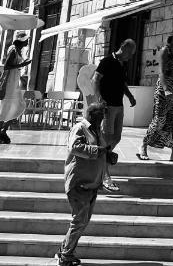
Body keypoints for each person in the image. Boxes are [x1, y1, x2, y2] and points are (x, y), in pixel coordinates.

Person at [55, 101, 115, 266]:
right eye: (101, 116)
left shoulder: (96, 130)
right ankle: (65, 256)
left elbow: (100, 150)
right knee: (79, 220)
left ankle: (64, 251)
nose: (102, 120)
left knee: (82, 221)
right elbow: (75, 147)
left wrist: (108, 155)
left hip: (91, 183)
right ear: (94, 115)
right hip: (79, 182)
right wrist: (99, 151)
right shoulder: (80, 128)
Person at [137, 27, 173, 163]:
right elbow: (161, 72)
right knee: (159, 119)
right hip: (164, 89)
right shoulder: (165, 51)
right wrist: (166, 91)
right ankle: (143, 145)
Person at [92, 39, 136, 192]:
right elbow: (95, 79)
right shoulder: (107, 61)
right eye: (130, 53)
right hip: (107, 106)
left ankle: (102, 158)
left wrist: (130, 96)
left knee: (116, 137)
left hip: (119, 105)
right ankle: (105, 175)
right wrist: (99, 98)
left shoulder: (122, 64)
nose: (130, 57)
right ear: (123, 48)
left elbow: (122, 83)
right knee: (105, 138)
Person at [0, 30, 31, 144]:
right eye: (26, 40)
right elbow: (7, 66)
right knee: (5, 106)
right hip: (9, 83)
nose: (27, 41)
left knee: (18, 106)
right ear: (21, 41)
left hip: (14, 82)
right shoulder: (13, 50)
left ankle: (3, 130)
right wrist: (22, 65)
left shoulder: (18, 50)